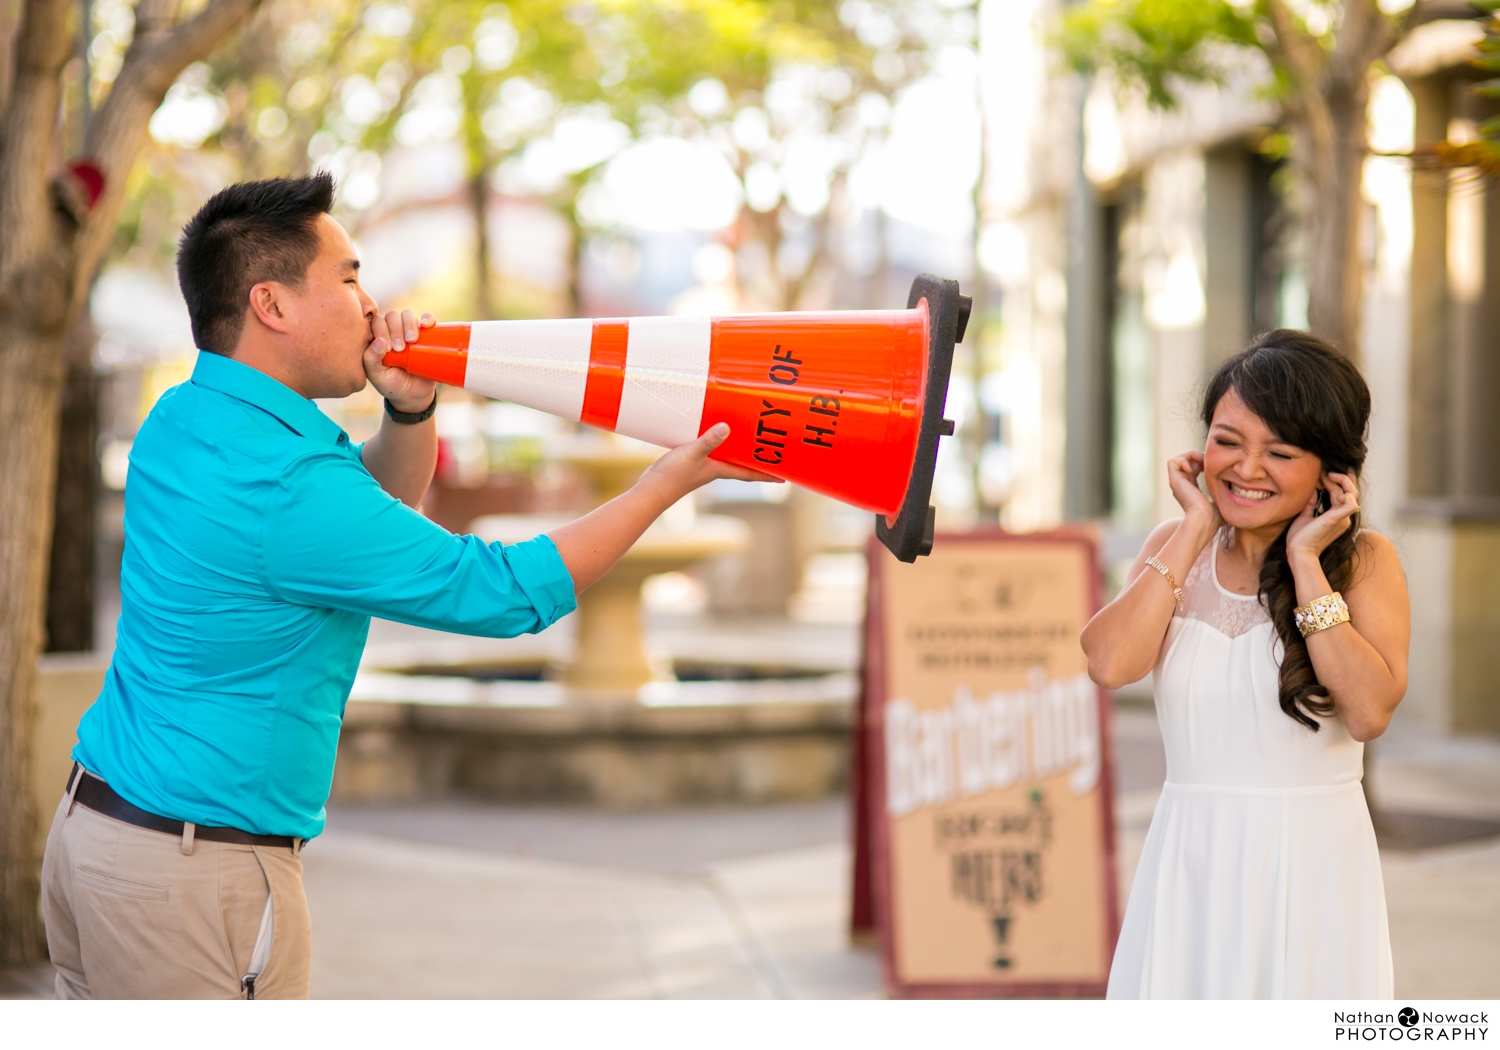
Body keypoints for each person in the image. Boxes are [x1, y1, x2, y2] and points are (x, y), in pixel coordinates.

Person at [39, 173, 771, 999]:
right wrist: (663, 487)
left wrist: (411, 412)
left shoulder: (186, 416)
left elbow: (362, 525)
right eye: (349, 277)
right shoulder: (289, 485)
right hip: (194, 877)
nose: (371, 301)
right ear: (273, 305)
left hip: (95, 835)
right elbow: (502, 593)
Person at [1083, 331, 1409, 999]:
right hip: (1188, 862)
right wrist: (1195, 527)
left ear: (1330, 471)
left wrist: (1305, 565)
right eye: (1228, 441)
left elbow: (1369, 711)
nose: (1246, 468)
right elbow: (1111, 663)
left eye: (1280, 452)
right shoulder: (1175, 546)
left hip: (1310, 869)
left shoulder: (1365, 562)